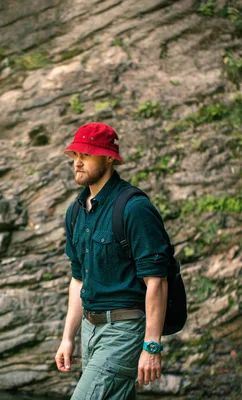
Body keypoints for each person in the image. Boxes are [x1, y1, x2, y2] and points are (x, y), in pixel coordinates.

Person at [55, 122, 170, 399]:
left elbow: (157, 280)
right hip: (89, 329)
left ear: (109, 157)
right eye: (75, 156)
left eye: (86, 155)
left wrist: (151, 345)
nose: (77, 163)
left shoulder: (134, 208)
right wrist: (67, 337)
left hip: (124, 330)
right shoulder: (76, 211)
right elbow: (78, 279)